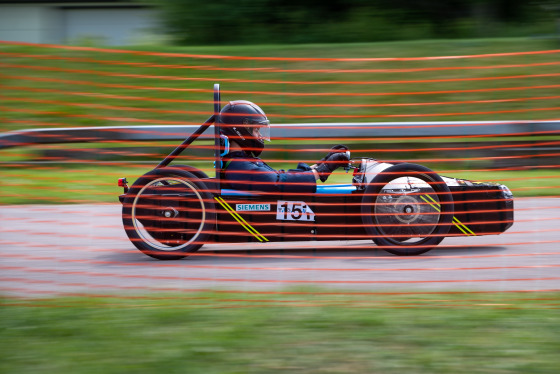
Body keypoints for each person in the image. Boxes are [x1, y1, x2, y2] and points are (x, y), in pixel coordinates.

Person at [217, 100, 349, 194]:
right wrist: (320, 172)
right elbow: (277, 183)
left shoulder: (241, 162)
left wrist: (320, 165)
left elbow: (278, 175)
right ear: (241, 130)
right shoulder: (238, 167)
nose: (259, 136)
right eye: (256, 130)